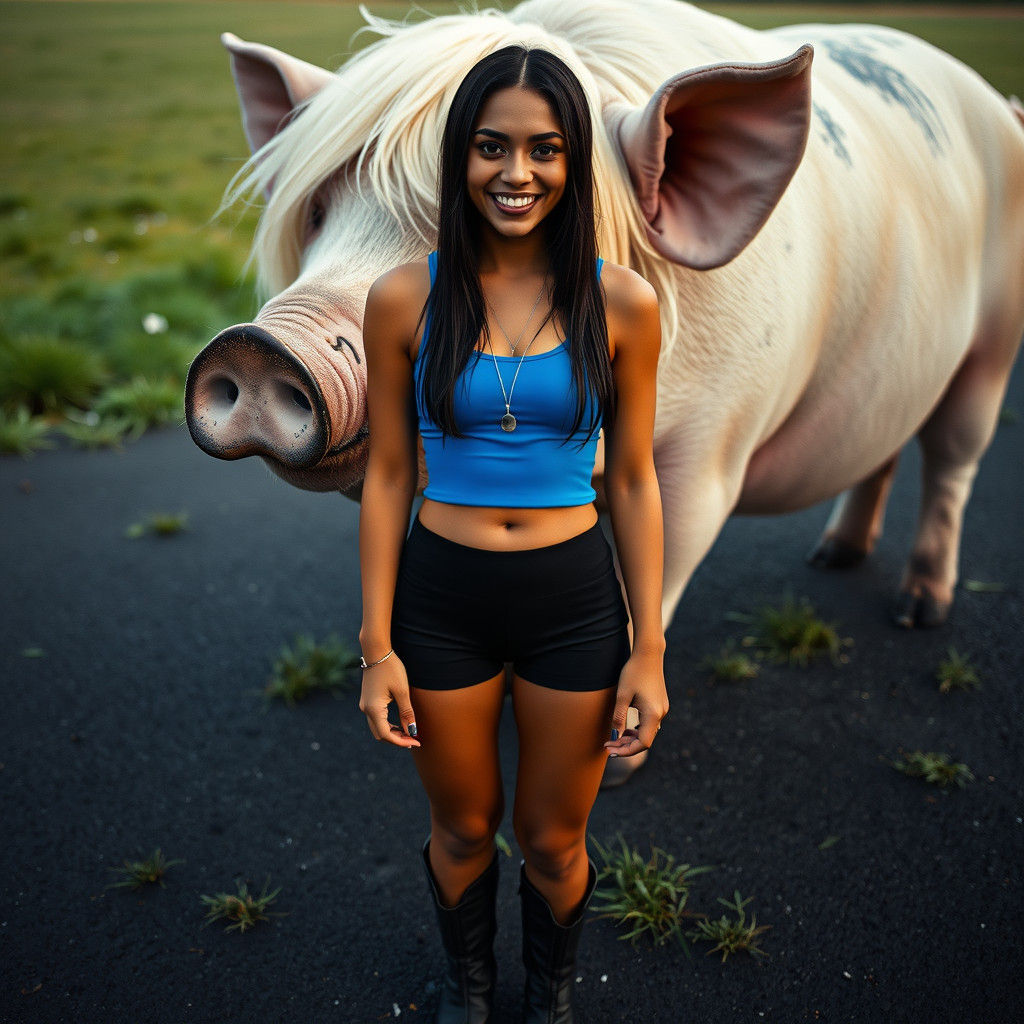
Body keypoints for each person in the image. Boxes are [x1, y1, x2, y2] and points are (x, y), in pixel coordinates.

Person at [357, 44, 666, 1024]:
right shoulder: (404, 298)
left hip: (571, 601)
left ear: (575, 162)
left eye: (543, 149)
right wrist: (375, 646)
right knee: (461, 824)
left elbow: (631, 478)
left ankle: (553, 991)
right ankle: (471, 987)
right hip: (440, 595)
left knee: (550, 837)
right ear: (461, 158)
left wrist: (650, 648)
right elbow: (389, 474)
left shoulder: (622, 303)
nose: (516, 172)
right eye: (492, 147)